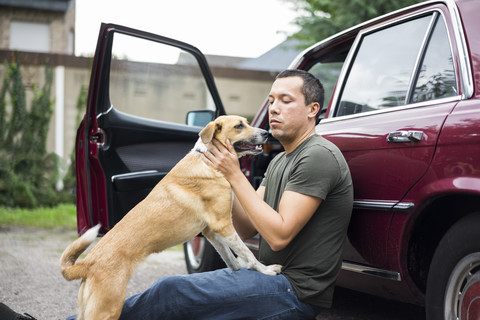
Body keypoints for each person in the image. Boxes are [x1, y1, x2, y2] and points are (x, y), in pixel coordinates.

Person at [72, 69, 353, 320]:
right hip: (268, 278)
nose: (274, 109)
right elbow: (244, 228)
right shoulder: (280, 161)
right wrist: (212, 185)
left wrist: (233, 174)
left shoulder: (318, 156)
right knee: (175, 299)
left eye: (286, 101)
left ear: (312, 109)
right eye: (271, 101)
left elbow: (279, 236)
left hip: (294, 290)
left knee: (171, 291)